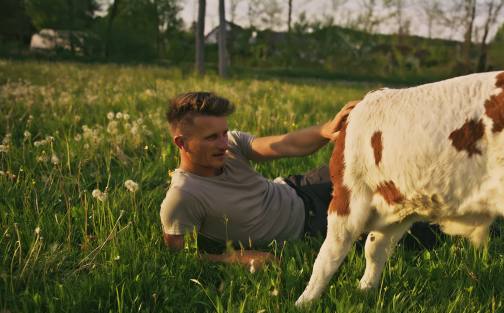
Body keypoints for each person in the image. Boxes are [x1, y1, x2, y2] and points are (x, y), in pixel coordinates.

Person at [160, 92, 436, 270]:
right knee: (416, 225)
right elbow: (179, 260)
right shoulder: (183, 197)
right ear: (182, 143)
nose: (223, 143)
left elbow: (284, 145)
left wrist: (326, 129)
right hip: (314, 223)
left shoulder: (230, 145)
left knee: (391, 174)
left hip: (301, 186)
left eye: (224, 132)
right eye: (211, 138)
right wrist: (235, 259)